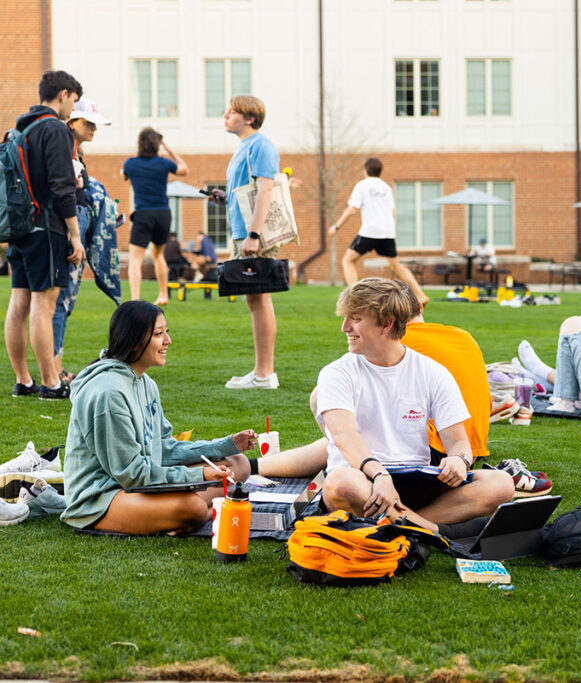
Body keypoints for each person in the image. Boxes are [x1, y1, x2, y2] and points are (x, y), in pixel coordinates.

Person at [314, 278, 513, 535]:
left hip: (417, 480)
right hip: (364, 478)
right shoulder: (337, 372)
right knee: (339, 483)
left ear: (386, 324)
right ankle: (428, 530)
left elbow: (459, 443)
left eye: (355, 319)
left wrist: (460, 460)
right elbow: (344, 437)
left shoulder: (432, 372)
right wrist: (380, 476)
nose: (344, 328)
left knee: (502, 484)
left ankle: (404, 524)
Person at [61, 301, 254, 534]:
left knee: (238, 464)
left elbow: (163, 448)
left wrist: (226, 445)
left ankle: (170, 516)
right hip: (101, 497)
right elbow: (131, 473)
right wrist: (199, 474)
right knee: (192, 508)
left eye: (166, 332)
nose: (168, 341)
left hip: (138, 484)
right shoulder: (109, 394)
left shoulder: (146, 383)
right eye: (158, 334)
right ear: (133, 342)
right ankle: (185, 514)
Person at [4, 70, 87, 400]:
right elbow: (62, 187)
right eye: (74, 102)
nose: (73, 111)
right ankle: (51, 383)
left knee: (19, 302)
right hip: (46, 227)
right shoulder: (55, 129)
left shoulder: (21, 129)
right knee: (44, 304)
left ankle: (23, 380)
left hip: (19, 227)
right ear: (64, 95)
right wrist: (75, 235)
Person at [214, 94, 300, 390]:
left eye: (232, 112)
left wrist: (253, 235)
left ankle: (265, 374)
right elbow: (248, 191)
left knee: (260, 299)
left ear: (250, 118)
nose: (226, 115)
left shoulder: (261, 146)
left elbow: (266, 190)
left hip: (255, 235)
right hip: (244, 231)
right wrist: (225, 198)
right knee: (255, 300)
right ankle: (261, 372)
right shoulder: (245, 147)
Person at [53, 97, 111, 385]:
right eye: (88, 123)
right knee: (59, 303)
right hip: (67, 230)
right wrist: (75, 236)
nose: (93, 129)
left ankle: (56, 367)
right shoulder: (63, 148)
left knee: (65, 303)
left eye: (95, 124)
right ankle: (52, 369)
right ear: (71, 121)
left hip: (76, 226)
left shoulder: (74, 152)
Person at [328, 158, 428, 306]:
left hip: (370, 231)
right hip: (388, 231)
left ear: (365, 171)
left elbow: (351, 210)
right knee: (396, 266)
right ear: (380, 171)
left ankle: (355, 298)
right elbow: (393, 213)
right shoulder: (386, 187)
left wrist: (336, 226)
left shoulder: (362, 185)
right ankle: (421, 295)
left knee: (348, 260)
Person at [122, 127, 188, 305]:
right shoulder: (163, 163)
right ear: (158, 145)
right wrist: (171, 151)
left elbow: (123, 176)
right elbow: (184, 169)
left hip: (143, 214)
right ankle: (163, 294)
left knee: (135, 258)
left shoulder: (130, 164)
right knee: (158, 255)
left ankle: (135, 298)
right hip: (163, 214)